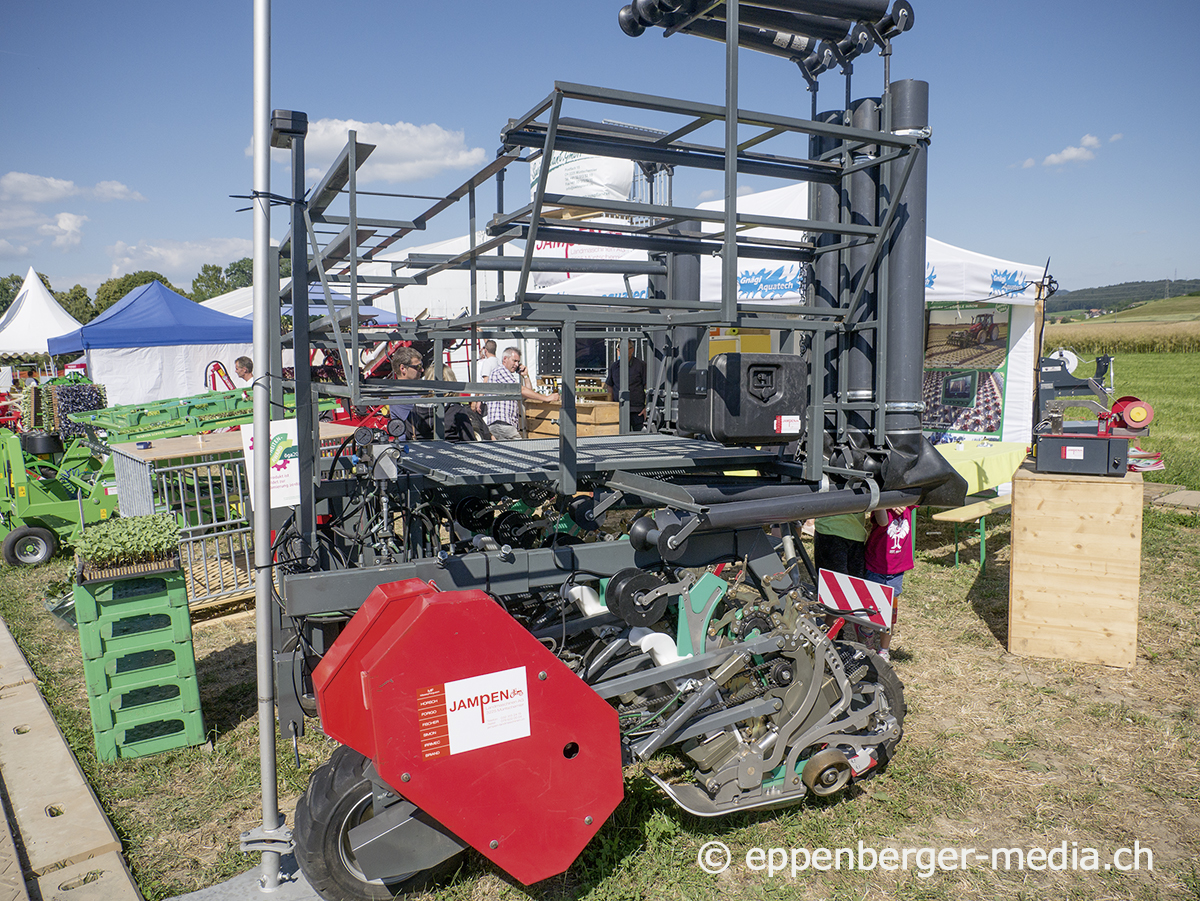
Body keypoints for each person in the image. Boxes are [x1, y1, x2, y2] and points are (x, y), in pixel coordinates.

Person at [864, 505, 916, 661]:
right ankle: (868, 645)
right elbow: (882, 521)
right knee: (870, 610)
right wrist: (887, 503)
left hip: (897, 569)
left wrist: (903, 500)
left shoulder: (909, 502)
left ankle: (884, 650)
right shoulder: (881, 505)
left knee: (889, 614)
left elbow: (922, 490)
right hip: (876, 565)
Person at [484, 347, 558, 440]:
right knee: (521, 449)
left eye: (518, 362)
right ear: (505, 359)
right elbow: (521, 390)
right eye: (514, 361)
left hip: (501, 424)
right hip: (502, 423)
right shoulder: (501, 371)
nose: (516, 364)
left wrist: (525, 376)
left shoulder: (505, 374)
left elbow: (528, 392)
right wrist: (546, 398)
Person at [387, 347, 431, 439]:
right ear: (403, 368)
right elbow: (423, 418)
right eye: (418, 367)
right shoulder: (398, 395)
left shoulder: (417, 389)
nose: (422, 370)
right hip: (411, 447)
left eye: (422, 365)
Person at [604, 341, 647, 431]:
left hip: (637, 410)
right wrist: (611, 406)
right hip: (619, 409)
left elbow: (647, 387)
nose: (621, 352)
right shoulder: (614, 366)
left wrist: (646, 408)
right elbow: (610, 387)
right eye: (619, 350)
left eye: (624, 349)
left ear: (632, 350)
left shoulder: (641, 365)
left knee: (638, 437)